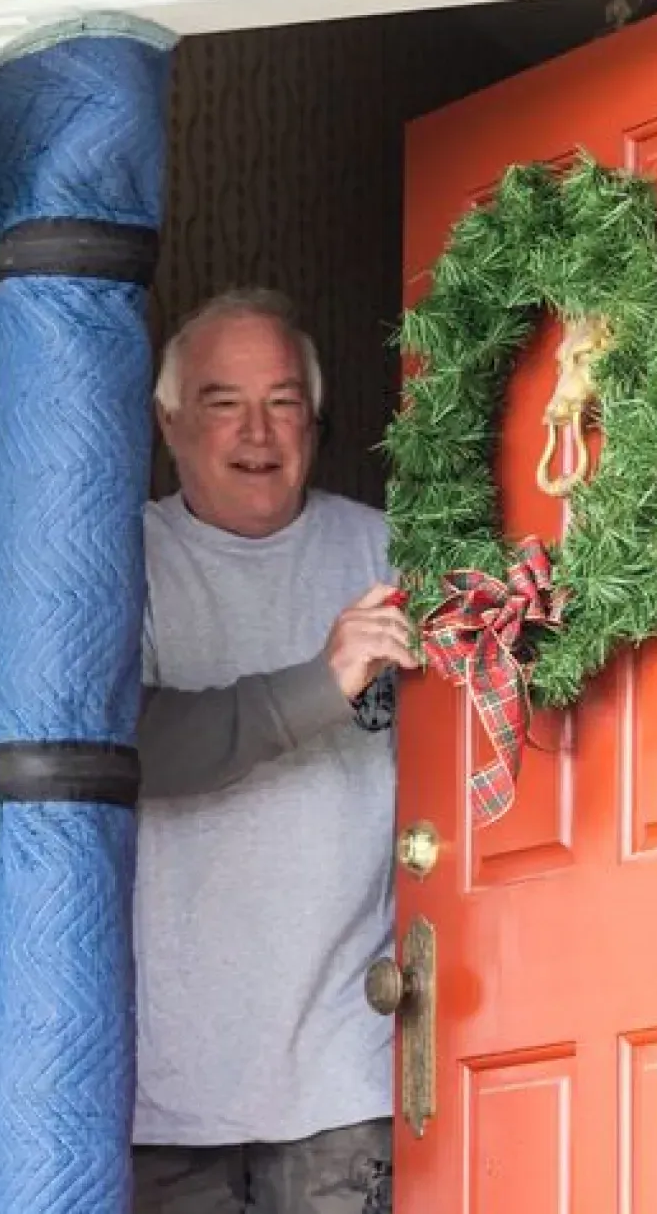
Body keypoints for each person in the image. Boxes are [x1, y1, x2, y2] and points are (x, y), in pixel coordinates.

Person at [131, 288, 418, 1214]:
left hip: (348, 1076)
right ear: (169, 422)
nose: (257, 430)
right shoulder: (123, 564)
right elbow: (124, 747)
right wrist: (317, 684)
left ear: (314, 418)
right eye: (222, 402)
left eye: (282, 401)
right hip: (164, 1095)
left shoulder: (387, 555)